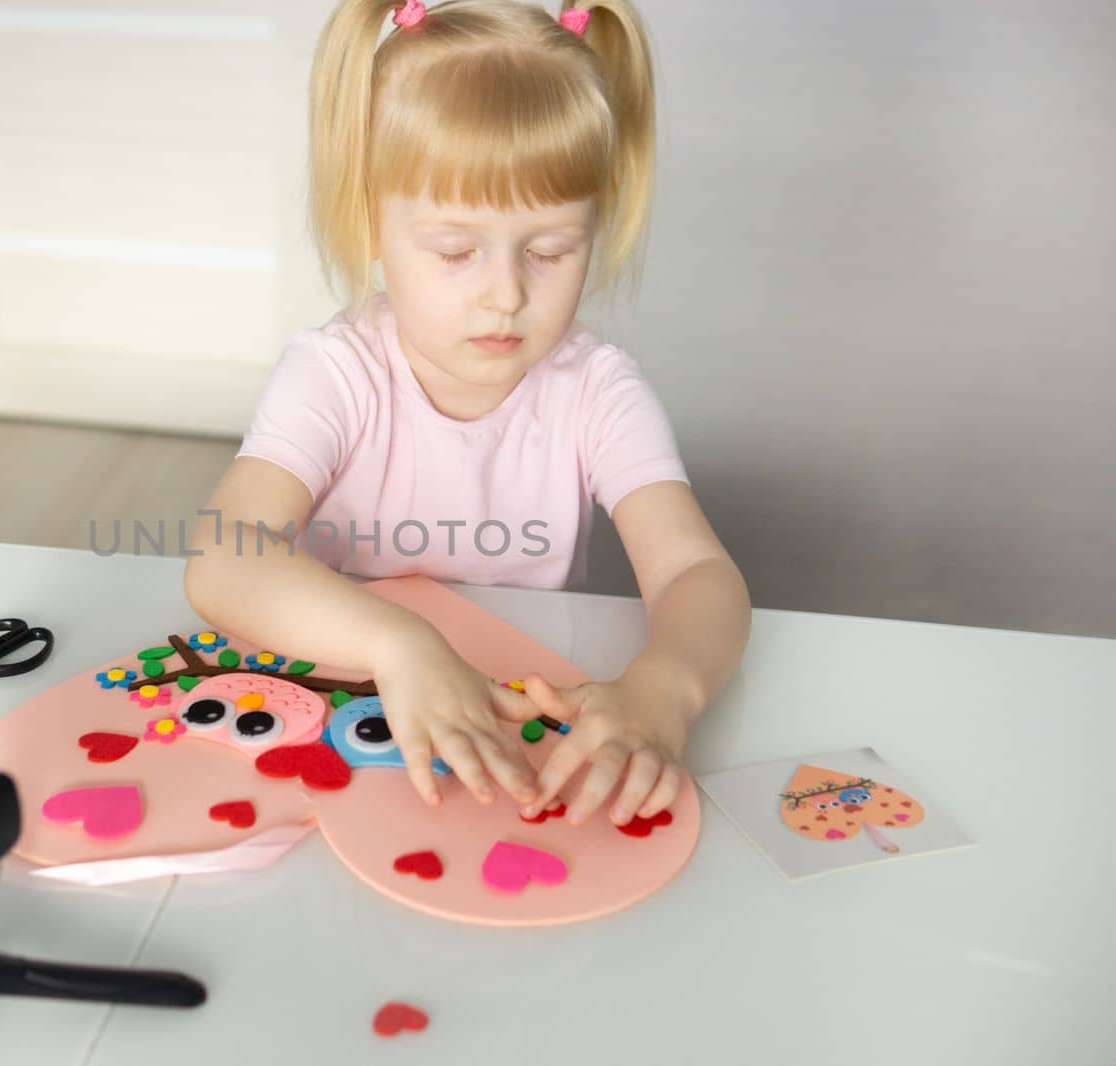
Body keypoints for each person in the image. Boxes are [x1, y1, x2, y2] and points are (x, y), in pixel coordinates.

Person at [185, 0, 751, 829]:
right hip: (342, 718)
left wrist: (662, 688)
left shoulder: (595, 389)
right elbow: (226, 560)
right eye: (456, 251)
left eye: (552, 249)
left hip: (507, 735)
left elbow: (696, 575)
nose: (507, 294)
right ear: (367, 218)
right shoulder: (337, 375)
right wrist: (398, 644)